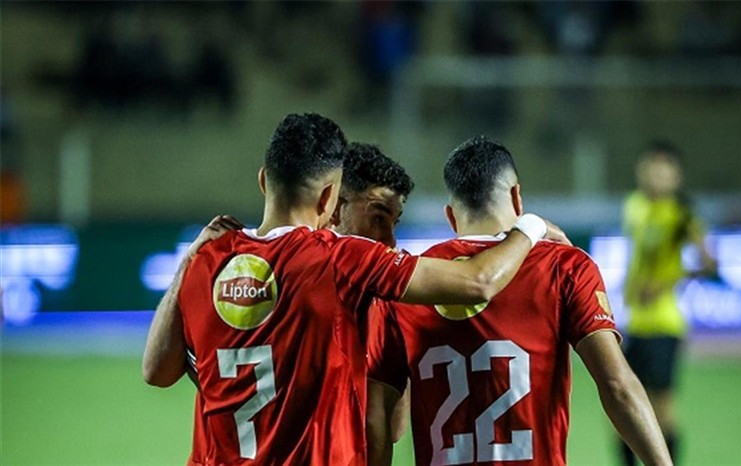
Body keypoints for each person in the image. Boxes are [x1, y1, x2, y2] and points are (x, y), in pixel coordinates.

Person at [142, 113, 568, 466]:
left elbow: (156, 371)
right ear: (331, 199)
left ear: (263, 180)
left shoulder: (209, 260)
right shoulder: (341, 261)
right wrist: (529, 227)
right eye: (378, 217)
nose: (388, 239)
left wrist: (189, 261)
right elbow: (477, 281)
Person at [366, 136, 672, 466]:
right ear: (516, 197)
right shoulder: (564, 265)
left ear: (451, 217)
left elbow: (383, 420)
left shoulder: (411, 278)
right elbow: (617, 386)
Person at [618, 141, 716, 466]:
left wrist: (666, 282)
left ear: (676, 177)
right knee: (622, 405)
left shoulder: (681, 215)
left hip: (664, 323)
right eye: (650, 169)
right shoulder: (633, 205)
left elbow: (709, 262)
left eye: (664, 171)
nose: (655, 176)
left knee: (662, 408)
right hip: (633, 321)